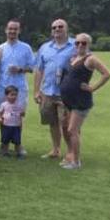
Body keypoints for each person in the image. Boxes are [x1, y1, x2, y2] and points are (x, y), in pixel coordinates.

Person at [59, 33, 110, 169]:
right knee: (68, 128)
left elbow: (107, 74)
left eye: (84, 43)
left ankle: (76, 162)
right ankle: (71, 156)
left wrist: (93, 87)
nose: (80, 45)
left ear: (89, 44)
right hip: (69, 101)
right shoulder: (74, 57)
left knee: (73, 129)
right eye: (77, 43)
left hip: (81, 101)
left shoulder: (91, 59)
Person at [34, 19, 75, 159]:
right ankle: (56, 150)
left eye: (60, 27)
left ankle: (71, 152)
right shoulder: (45, 48)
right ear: (51, 31)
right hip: (48, 92)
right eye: (54, 27)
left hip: (67, 94)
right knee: (52, 123)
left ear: (66, 28)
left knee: (68, 125)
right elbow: (39, 70)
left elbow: (87, 65)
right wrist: (37, 90)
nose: (57, 29)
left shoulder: (76, 45)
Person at [0, 18, 35, 153]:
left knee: (17, 116)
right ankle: (4, 144)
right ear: (6, 30)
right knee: (3, 115)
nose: (12, 31)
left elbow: (33, 67)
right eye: (10, 28)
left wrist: (20, 69)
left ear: (19, 31)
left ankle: (18, 144)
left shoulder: (26, 48)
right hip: (2, 87)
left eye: (15, 29)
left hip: (20, 88)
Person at [0, 85, 26, 158]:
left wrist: (21, 123)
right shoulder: (4, 105)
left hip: (16, 125)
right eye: (12, 95)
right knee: (6, 140)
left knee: (17, 140)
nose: (14, 97)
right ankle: (6, 152)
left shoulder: (19, 105)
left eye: (15, 95)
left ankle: (18, 152)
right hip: (6, 125)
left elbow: (21, 115)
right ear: (6, 95)